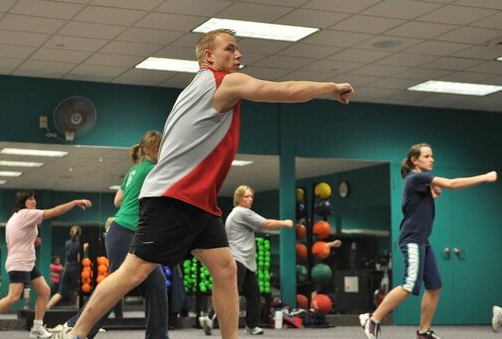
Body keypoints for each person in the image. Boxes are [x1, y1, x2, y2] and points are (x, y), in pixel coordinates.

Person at [53, 28, 353, 339]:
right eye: (230, 49)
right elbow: (286, 90)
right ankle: (75, 333)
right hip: (173, 197)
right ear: (209, 56)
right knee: (133, 272)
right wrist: (329, 87)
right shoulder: (222, 82)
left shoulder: (192, 90)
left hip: (200, 204)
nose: (239, 56)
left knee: (226, 271)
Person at [359, 143, 497, 339]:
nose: (432, 159)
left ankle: (423, 332)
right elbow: (452, 184)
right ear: (415, 160)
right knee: (409, 285)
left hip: (422, 240)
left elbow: (418, 204)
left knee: (434, 285)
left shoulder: (419, 182)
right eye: (427, 156)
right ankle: (372, 319)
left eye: (432, 155)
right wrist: (484, 177)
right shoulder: (416, 177)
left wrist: (431, 195)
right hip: (412, 239)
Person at [53, 130, 167, 339]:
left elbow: (117, 201)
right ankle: (77, 327)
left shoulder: (135, 169)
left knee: (157, 283)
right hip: (126, 232)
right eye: (162, 147)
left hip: (126, 231)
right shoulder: (153, 170)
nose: (165, 151)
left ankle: (158, 336)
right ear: (151, 149)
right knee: (116, 287)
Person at [0, 191, 92, 339]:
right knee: (13, 297)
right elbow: (53, 212)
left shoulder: (16, 218)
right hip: (19, 263)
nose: (33, 201)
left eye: (34, 199)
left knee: (44, 291)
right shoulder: (25, 214)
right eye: (29, 199)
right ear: (22, 203)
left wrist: (32, 243)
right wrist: (74, 203)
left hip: (26, 262)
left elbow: (12, 243)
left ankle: (37, 328)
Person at [199, 185, 293, 335]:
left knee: (253, 294)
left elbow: (263, 227)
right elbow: (266, 223)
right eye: (246, 196)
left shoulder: (238, 214)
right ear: (238, 199)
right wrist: (285, 223)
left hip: (247, 262)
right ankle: (210, 318)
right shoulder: (242, 212)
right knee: (229, 294)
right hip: (238, 260)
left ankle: (251, 325)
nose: (249, 199)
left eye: (251, 197)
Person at [47, 226, 81, 310]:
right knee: (78, 291)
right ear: (79, 234)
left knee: (61, 292)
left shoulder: (67, 243)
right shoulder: (79, 244)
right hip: (75, 269)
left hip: (67, 268)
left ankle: (46, 308)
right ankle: (78, 312)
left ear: (70, 233)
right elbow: (79, 258)